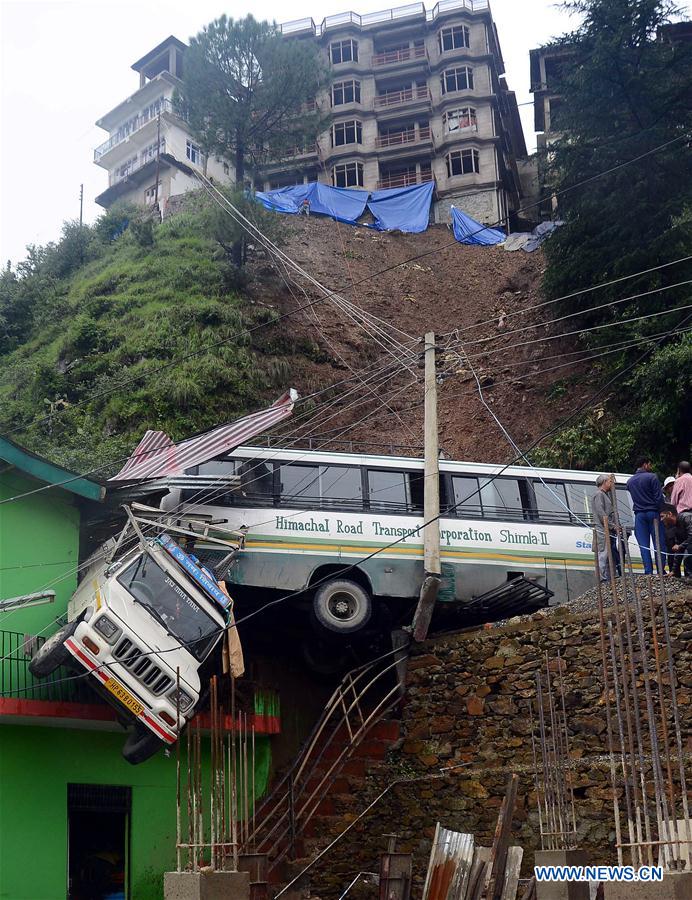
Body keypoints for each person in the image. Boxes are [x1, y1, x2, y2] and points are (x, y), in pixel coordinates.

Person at [626, 455, 666, 575]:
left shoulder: (630, 481)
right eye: (650, 464)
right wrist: (662, 511)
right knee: (659, 543)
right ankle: (660, 570)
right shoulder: (652, 477)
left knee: (644, 546)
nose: (651, 467)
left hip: (639, 515)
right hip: (653, 513)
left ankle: (648, 571)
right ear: (645, 464)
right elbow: (659, 498)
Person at [591, 474, 620, 582]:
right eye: (610, 482)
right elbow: (601, 513)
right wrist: (612, 526)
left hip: (607, 529)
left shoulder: (604, 495)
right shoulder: (599, 495)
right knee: (603, 553)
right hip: (602, 530)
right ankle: (601, 578)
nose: (612, 484)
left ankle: (607, 577)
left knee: (608, 554)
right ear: (604, 482)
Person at [660, 503, 692, 578]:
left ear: (670, 514)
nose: (661, 520)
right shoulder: (676, 527)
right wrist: (673, 571)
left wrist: (680, 546)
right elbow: (679, 550)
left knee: (689, 551)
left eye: (662, 516)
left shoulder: (686, 517)